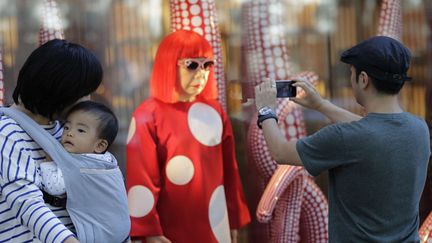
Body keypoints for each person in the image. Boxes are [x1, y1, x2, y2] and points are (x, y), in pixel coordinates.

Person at [254, 36, 431, 241]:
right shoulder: (419, 128)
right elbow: (373, 130)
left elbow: (280, 152)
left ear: (363, 79)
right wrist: (320, 105)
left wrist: (266, 109)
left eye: (352, 73)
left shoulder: (346, 138)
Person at [126, 30, 250, 243]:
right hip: (169, 227)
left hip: (215, 219)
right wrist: (149, 230)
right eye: (192, 64)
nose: (201, 73)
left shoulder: (216, 111)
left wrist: (233, 219)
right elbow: (142, 179)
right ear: (169, 64)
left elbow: (229, 171)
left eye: (207, 65)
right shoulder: (147, 115)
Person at [0, 39, 102, 243]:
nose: (88, 100)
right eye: (83, 93)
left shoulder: (62, 130)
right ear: (59, 91)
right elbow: (28, 205)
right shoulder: (7, 132)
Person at [40, 101, 118, 199]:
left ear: (100, 146)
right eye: (66, 127)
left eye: (80, 130)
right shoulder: (107, 160)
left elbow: (54, 187)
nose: (70, 133)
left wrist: (50, 161)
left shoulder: (83, 165)